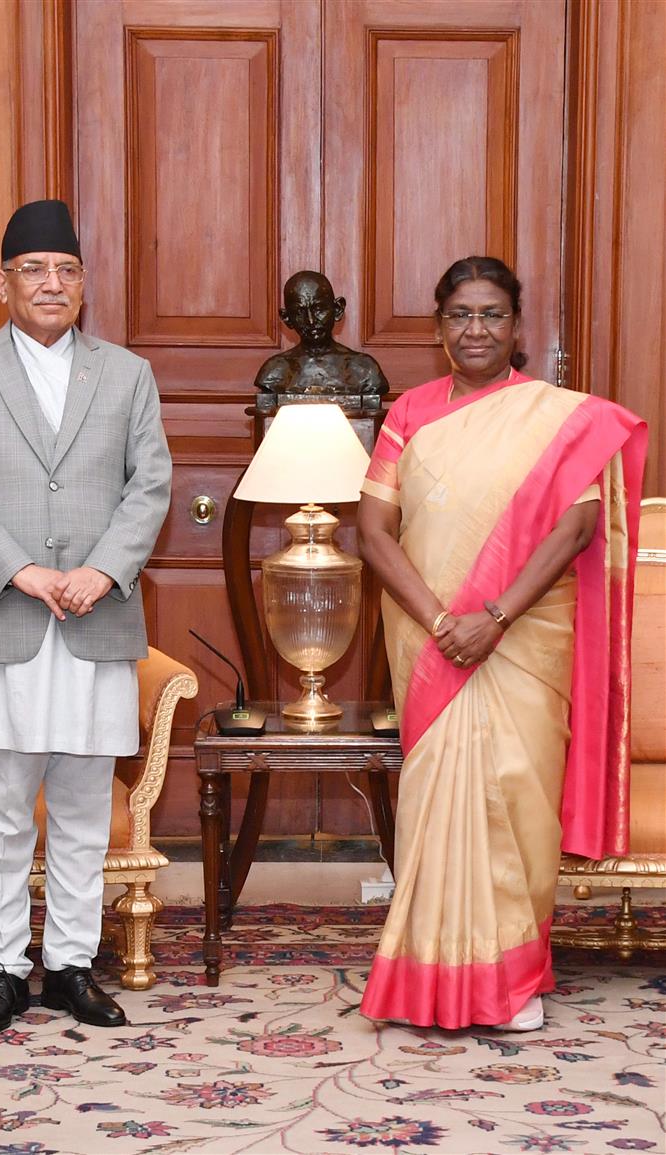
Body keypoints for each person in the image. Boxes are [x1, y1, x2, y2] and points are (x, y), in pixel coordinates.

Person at [357, 256, 647, 1031]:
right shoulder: (409, 414)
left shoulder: (554, 415)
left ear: (517, 327)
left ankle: (512, 980)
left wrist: (497, 616)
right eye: (460, 315)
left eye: (491, 314)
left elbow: (576, 525)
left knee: (516, 800)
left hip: (521, 636)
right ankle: (430, 976)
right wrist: (439, 618)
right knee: (434, 802)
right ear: (439, 327)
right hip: (430, 640)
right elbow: (374, 531)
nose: (476, 328)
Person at [0, 199, 172, 1035]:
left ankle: (67, 963)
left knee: (81, 803)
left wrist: (102, 568)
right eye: (33, 269)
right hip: (3, 613)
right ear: (4, 284)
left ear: (84, 284)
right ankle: (0, 965)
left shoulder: (127, 373)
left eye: (65, 269)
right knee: (1, 806)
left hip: (96, 616)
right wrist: (22, 569)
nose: (51, 283)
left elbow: (151, 485)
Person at [254, 270, 388, 398]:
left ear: (337, 309)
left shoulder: (364, 370)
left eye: (319, 309)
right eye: (300, 312)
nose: (311, 321)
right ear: (287, 318)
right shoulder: (274, 371)